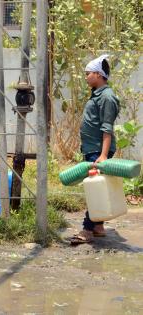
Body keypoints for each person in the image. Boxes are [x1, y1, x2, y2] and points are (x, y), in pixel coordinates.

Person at [70, 55, 120, 245]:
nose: (85, 77)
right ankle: (98, 226)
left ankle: (87, 230)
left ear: (98, 75)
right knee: (96, 187)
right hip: (93, 149)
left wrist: (103, 155)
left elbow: (107, 128)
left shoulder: (107, 97)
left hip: (99, 150)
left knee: (95, 190)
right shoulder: (97, 93)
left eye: (88, 73)